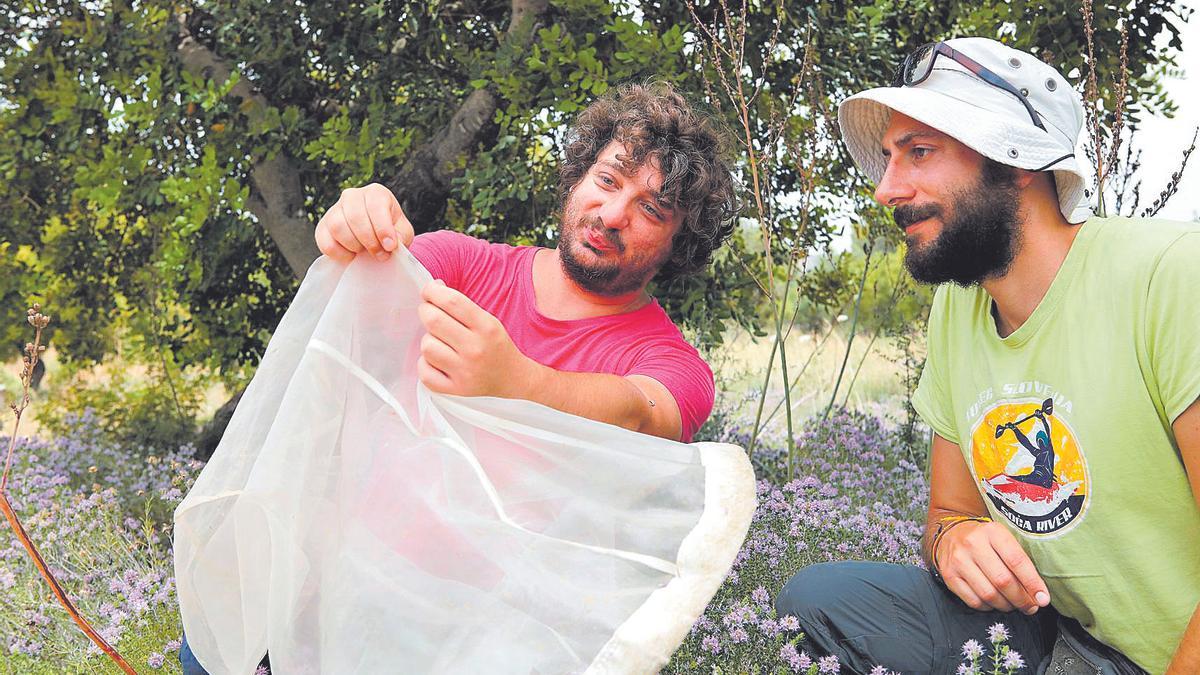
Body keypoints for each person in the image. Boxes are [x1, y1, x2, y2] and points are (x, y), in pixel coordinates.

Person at [180, 81, 738, 674]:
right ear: (577, 179)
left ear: (680, 243)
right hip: (330, 588)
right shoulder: (457, 264)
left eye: (651, 209)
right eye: (607, 180)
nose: (613, 213)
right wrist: (351, 230)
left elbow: (642, 411)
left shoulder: (671, 362)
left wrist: (517, 382)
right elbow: (364, 287)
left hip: (471, 643)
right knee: (212, 646)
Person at [774, 37, 1200, 674]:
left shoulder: (1169, 275)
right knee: (821, 601)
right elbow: (950, 513)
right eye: (889, 158)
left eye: (920, 152)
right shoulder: (960, 307)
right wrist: (955, 542)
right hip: (1069, 639)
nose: (887, 188)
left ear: (1018, 159)